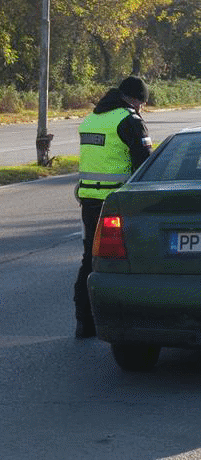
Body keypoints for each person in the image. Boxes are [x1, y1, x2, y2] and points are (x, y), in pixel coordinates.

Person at [74, 76, 153, 338]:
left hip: (89, 200)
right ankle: (128, 322)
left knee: (90, 258)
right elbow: (146, 166)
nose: (141, 107)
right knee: (126, 262)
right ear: (135, 99)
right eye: (142, 102)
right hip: (119, 203)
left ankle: (84, 322)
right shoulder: (129, 120)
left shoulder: (93, 118)